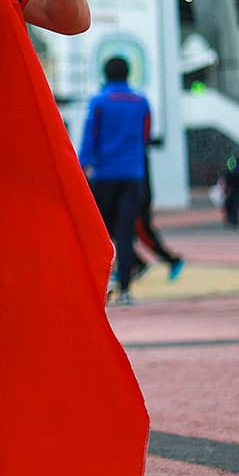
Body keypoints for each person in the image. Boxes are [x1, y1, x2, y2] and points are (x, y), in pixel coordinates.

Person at [79, 56, 151, 306]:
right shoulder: (141, 102)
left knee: (101, 232)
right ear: (128, 73)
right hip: (133, 174)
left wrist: (81, 167)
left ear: (105, 74)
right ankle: (127, 291)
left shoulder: (99, 102)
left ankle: (102, 284)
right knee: (125, 232)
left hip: (104, 175)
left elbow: (90, 138)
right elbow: (145, 137)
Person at [129, 151, 184, 282]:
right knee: (116, 231)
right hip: (126, 191)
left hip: (137, 194)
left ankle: (172, 260)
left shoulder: (135, 151)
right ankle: (136, 263)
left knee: (143, 233)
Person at [220, 155, 239, 228]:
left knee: (229, 206)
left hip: (231, 190)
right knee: (235, 206)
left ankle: (230, 220)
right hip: (236, 190)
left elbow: (226, 179)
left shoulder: (230, 170)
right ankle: (234, 221)